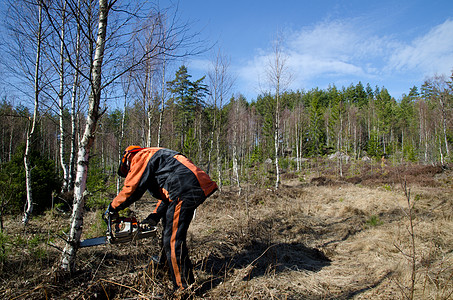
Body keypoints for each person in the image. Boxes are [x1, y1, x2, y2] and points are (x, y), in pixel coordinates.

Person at [105, 146, 218, 292]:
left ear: (128, 158)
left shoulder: (141, 156)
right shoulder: (158, 158)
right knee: (169, 233)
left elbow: (132, 189)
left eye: (128, 170)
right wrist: (154, 216)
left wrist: (112, 208)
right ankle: (166, 269)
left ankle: (183, 288)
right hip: (188, 186)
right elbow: (167, 192)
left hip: (184, 188)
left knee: (172, 240)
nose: (129, 172)